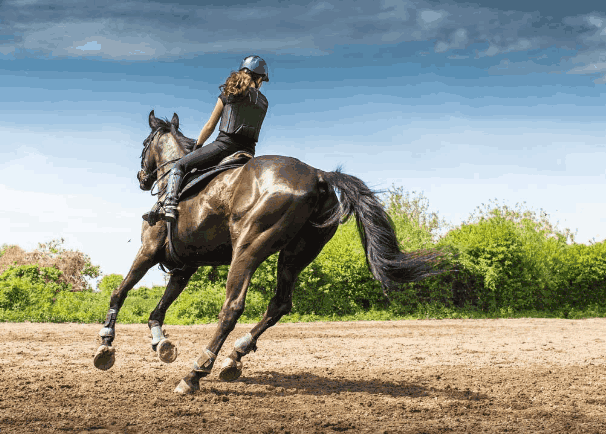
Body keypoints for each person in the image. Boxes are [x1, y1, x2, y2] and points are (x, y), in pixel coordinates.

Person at [144, 55, 269, 224]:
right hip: (248, 153)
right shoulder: (264, 102)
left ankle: (169, 206)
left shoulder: (229, 92)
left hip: (224, 147)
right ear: (259, 78)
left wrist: (198, 146)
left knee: (179, 166)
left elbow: (210, 125)